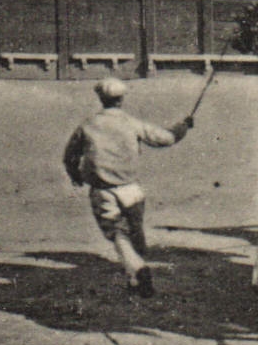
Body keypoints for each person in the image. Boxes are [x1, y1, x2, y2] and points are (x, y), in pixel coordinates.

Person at [63, 78, 192, 297]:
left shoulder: (87, 125)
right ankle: (135, 276)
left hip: (103, 191)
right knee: (135, 231)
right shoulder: (132, 123)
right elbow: (167, 139)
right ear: (121, 99)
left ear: (100, 98)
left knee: (117, 234)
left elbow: (69, 156)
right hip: (132, 189)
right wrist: (183, 126)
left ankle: (138, 271)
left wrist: (75, 175)